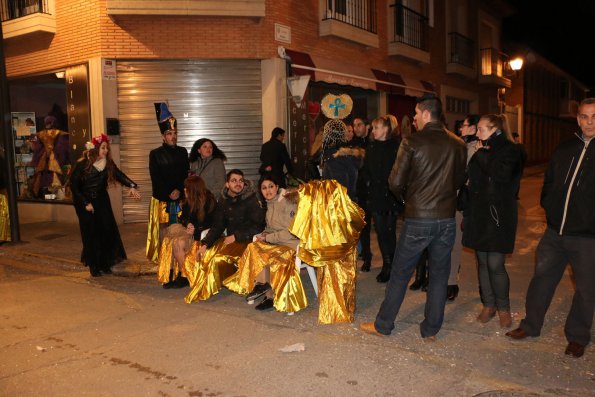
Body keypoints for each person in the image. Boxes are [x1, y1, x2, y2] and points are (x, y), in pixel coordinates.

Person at [360, 93, 466, 341]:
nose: (414, 118)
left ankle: (384, 325)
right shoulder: (458, 144)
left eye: (416, 113)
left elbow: (395, 182)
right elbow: (460, 180)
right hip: (446, 219)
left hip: (419, 218)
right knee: (440, 274)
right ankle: (431, 330)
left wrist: (410, 201)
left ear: (426, 113)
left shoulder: (412, 142)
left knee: (400, 272)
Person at [506, 97, 595, 358]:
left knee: (587, 289)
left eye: (594, 116)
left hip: (588, 237)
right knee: (542, 281)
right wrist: (549, 206)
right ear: (578, 119)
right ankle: (530, 326)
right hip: (555, 232)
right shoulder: (565, 148)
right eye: (585, 117)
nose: (589, 122)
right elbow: (550, 181)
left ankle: (578, 336)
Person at [462, 114, 523, 328]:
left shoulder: (511, 150)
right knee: (482, 262)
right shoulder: (481, 149)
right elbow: (469, 182)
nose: (477, 134)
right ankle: (488, 305)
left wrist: (479, 154)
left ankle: (503, 308)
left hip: (500, 215)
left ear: (496, 130)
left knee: (496, 263)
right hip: (478, 214)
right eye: (476, 129)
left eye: (481, 129)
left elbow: (501, 174)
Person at [223, 174, 307, 313]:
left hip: (291, 243)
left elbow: (293, 232)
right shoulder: (269, 204)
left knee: (270, 256)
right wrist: (264, 234)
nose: (268, 191)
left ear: (277, 187)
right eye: (264, 188)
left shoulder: (289, 201)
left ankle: (269, 294)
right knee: (253, 247)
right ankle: (262, 285)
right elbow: (271, 227)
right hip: (276, 242)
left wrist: (269, 237)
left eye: (271, 187)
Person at [185, 169, 266, 303]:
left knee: (218, 259)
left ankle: (211, 288)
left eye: (240, 180)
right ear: (227, 184)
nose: (238, 183)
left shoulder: (251, 199)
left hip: (247, 241)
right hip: (230, 240)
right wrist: (205, 243)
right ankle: (204, 286)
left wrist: (236, 236)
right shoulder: (223, 200)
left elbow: (259, 226)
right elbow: (218, 226)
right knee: (205, 256)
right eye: (234, 180)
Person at [70, 134, 141, 277]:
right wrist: (85, 203)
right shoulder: (82, 164)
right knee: (91, 235)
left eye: (106, 148)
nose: (106, 151)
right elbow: (74, 186)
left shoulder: (108, 164)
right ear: (96, 148)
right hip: (86, 204)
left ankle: (105, 263)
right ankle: (94, 266)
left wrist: (132, 186)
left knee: (106, 232)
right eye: (103, 148)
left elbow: (119, 175)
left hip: (102, 201)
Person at [146, 102, 190, 262]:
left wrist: (178, 189)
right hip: (161, 199)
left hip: (180, 199)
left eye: (175, 133)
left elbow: (185, 174)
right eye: (169, 133)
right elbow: (155, 177)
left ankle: (180, 259)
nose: (173, 136)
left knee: (180, 230)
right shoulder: (155, 154)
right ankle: (165, 262)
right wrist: (168, 193)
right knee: (164, 231)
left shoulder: (182, 152)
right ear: (163, 136)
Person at [157, 176, 217, 289]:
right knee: (166, 237)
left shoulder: (209, 201)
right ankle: (170, 272)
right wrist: (188, 224)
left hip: (201, 235)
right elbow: (183, 218)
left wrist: (196, 228)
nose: (184, 190)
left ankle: (183, 275)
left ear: (194, 190)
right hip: (189, 231)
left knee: (178, 243)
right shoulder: (187, 201)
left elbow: (213, 224)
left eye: (186, 188)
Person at [445, 114, 480, 301]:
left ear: (474, 128)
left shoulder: (476, 149)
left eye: (464, 125)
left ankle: (454, 282)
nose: (461, 129)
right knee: (452, 242)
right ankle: (450, 281)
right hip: (454, 199)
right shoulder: (460, 145)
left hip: (466, 202)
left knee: (462, 243)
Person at [362, 116, 401, 283]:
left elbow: (400, 170)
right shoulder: (371, 147)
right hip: (377, 195)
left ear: (385, 129)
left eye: (376, 128)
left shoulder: (396, 147)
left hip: (391, 196)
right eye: (372, 128)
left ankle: (392, 265)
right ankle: (387, 264)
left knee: (390, 231)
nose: (373, 131)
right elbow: (366, 170)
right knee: (380, 231)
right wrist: (368, 182)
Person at [321, 120, 365, 201]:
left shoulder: (336, 157)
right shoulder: (340, 155)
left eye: (326, 133)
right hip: (347, 203)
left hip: (340, 206)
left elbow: (340, 189)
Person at [351, 117, 373, 272]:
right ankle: (366, 255)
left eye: (359, 125)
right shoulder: (354, 144)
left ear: (367, 126)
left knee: (375, 225)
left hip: (371, 189)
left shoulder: (373, 143)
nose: (356, 128)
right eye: (354, 125)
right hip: (359, 189)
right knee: (363, 225)